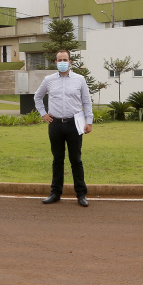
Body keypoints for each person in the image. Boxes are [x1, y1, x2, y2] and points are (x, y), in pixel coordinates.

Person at [34, 49, 93, 207]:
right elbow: (37, 97)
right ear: (55, 62)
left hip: (74, 123)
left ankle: (81, 194)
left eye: (65, 59)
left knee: (76, 160)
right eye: (59, 60)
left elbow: (87, 101)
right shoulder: (49, 80)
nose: (62, 62)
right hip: (55, 124)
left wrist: (89, 121)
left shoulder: (80, 79)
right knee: (57, 160)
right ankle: (55, 193)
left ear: (70, 61)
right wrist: (43, 114)